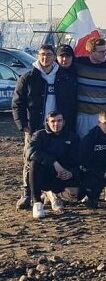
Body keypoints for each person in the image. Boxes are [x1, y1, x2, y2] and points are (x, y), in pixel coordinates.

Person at [12, 44, 77, 210]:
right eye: (42, 54)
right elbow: (17, 103)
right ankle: (27, 193)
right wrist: (23, 125)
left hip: (58, 127)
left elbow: (71, 103)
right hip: (35, 127)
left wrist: (68, 124)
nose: (45, 57)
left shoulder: (63, 77)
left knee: (56, 157)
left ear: (54, 56)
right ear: (37, 55)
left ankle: (53, 192)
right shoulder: (28, 77)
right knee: (30, 160)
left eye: (49, 54)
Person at [25, 111, 80, 219]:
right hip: (46, 175)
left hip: (64, 176)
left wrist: (71, 173)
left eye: (59, 121)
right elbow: (30, 152)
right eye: (53, 121)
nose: (56, 124)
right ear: (47, 122)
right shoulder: (39, 135)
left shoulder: (72, 137)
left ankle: (54, 195)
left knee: (75, 194)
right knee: (34, 164)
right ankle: (37, 203)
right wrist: (54, 163)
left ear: (64, 122)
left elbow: (79, 159)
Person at [74, 38, 106, 139]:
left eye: (105, 51)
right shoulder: (79, 64)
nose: (104, 54)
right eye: (101, 51)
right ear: (91, 51)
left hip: (100, 116)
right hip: (82, 114)